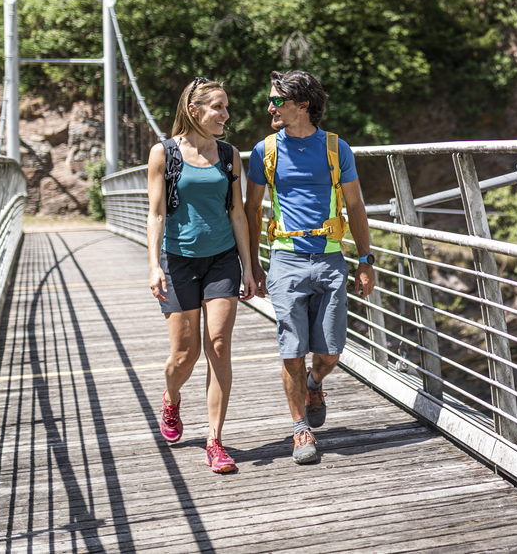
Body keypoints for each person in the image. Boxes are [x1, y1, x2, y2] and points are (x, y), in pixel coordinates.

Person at [244, 70, 376, 464]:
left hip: (331, 259)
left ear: (302, 105)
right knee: (291, 348)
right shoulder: (264, 151)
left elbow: (355, 207)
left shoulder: (337, 149)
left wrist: (366, 261)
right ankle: (301, 431)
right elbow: (251, 210)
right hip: (285, 260)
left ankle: (315, 382)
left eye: (277, 101)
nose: (270, 106)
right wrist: (253, 264)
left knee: (332, 350)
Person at [147, 76, 255, 474]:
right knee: (184, 355)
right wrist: (154, 264)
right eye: (218, 108)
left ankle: (215, 440)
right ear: (194, 111)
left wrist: (247, 266)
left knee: (220, 346)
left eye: (226, 108)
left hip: (222, 259)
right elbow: (157, 213)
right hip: (179, 261)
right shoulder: (164, 153)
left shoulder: (229, 154)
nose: (226, 115)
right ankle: (171, 399)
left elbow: (237, 213)